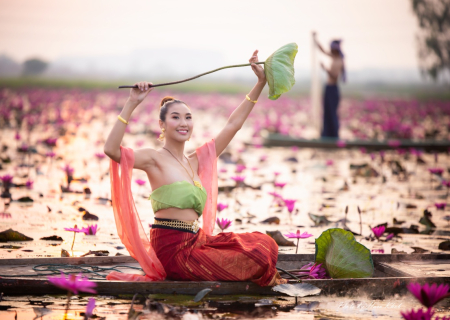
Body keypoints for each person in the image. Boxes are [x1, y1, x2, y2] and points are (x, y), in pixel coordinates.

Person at [103, 50, 287, 287]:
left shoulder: (195, 160)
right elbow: (111, 150)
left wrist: (260, 83)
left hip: (197, 241)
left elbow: (232, 125)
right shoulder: (153, 159)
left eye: (188, 118)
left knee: (265, 244)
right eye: (176, 118)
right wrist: (132, 103)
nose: (183, 123)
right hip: (173, 251)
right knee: (257, 258)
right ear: (162, 124)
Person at [313, 32, 346, 138]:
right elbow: (322, 50)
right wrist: (315, 39)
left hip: (332, 89)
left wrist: (325, 68)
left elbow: (334, 76)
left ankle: (333, 135)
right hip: (329, 88)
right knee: (327, 112)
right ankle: (326, 134)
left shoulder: (339, 61)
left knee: (331, 112)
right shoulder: (333, 57)